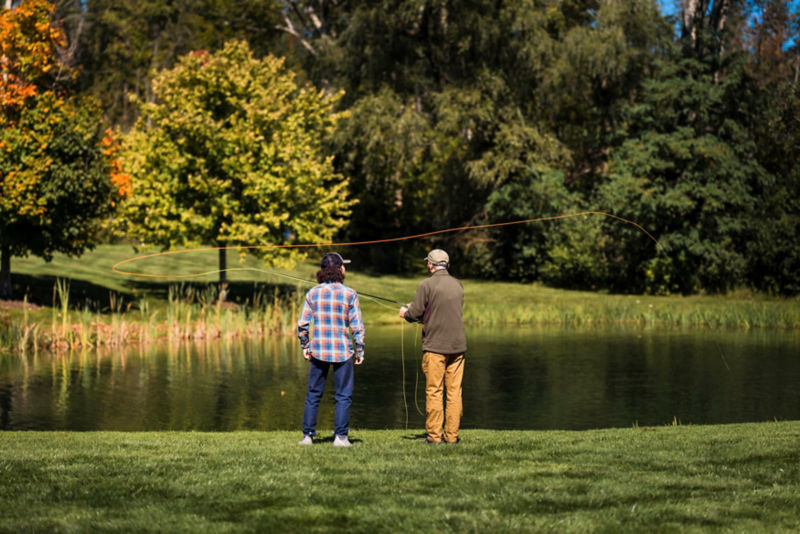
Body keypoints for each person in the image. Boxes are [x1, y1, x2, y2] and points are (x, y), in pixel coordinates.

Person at [297, 252, 365, 447]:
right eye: (344, 266)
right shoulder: (350, 294)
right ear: (340, 269)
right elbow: (357, 327)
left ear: (322, 270)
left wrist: (305, 346)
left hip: (318, 351)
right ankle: (340, 438)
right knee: (343, 395)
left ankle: (307, 437)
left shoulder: (312, 293)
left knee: (313, 394)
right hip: (343, 351)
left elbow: (303, 325)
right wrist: (359, 351)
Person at [399, 249, 466, 444]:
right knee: (454, 392)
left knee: (435, 391)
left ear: (430, 265)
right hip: (458, 347)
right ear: (447, 264)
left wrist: (406, 313)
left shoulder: (426, 284)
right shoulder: (458, 284)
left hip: (436, 347)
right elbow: (441, 310)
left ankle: (434, 437)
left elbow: (415, 313)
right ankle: (452, 437)